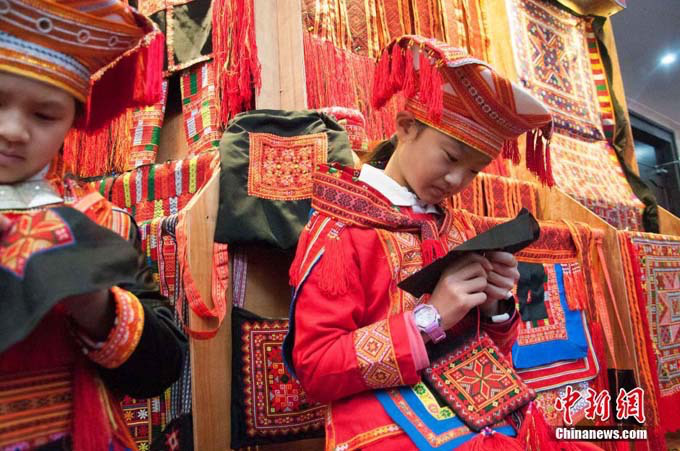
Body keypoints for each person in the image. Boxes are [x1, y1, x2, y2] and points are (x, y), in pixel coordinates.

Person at [283, 35, 556, 450]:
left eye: (473, 171)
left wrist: (496, 308)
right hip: (382, 419)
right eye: (450, 157)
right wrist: (428, 320)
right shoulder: (342, 228)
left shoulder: (457, 229)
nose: (456, 180)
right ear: (406, 127)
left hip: (476, 410)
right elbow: (315, 368)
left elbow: (490, 356)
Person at [0, 2, 186, 449]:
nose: (13, 131)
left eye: (44, 115)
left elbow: (162, 368)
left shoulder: (100, 224)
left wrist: (97, 305)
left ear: (74, 120)